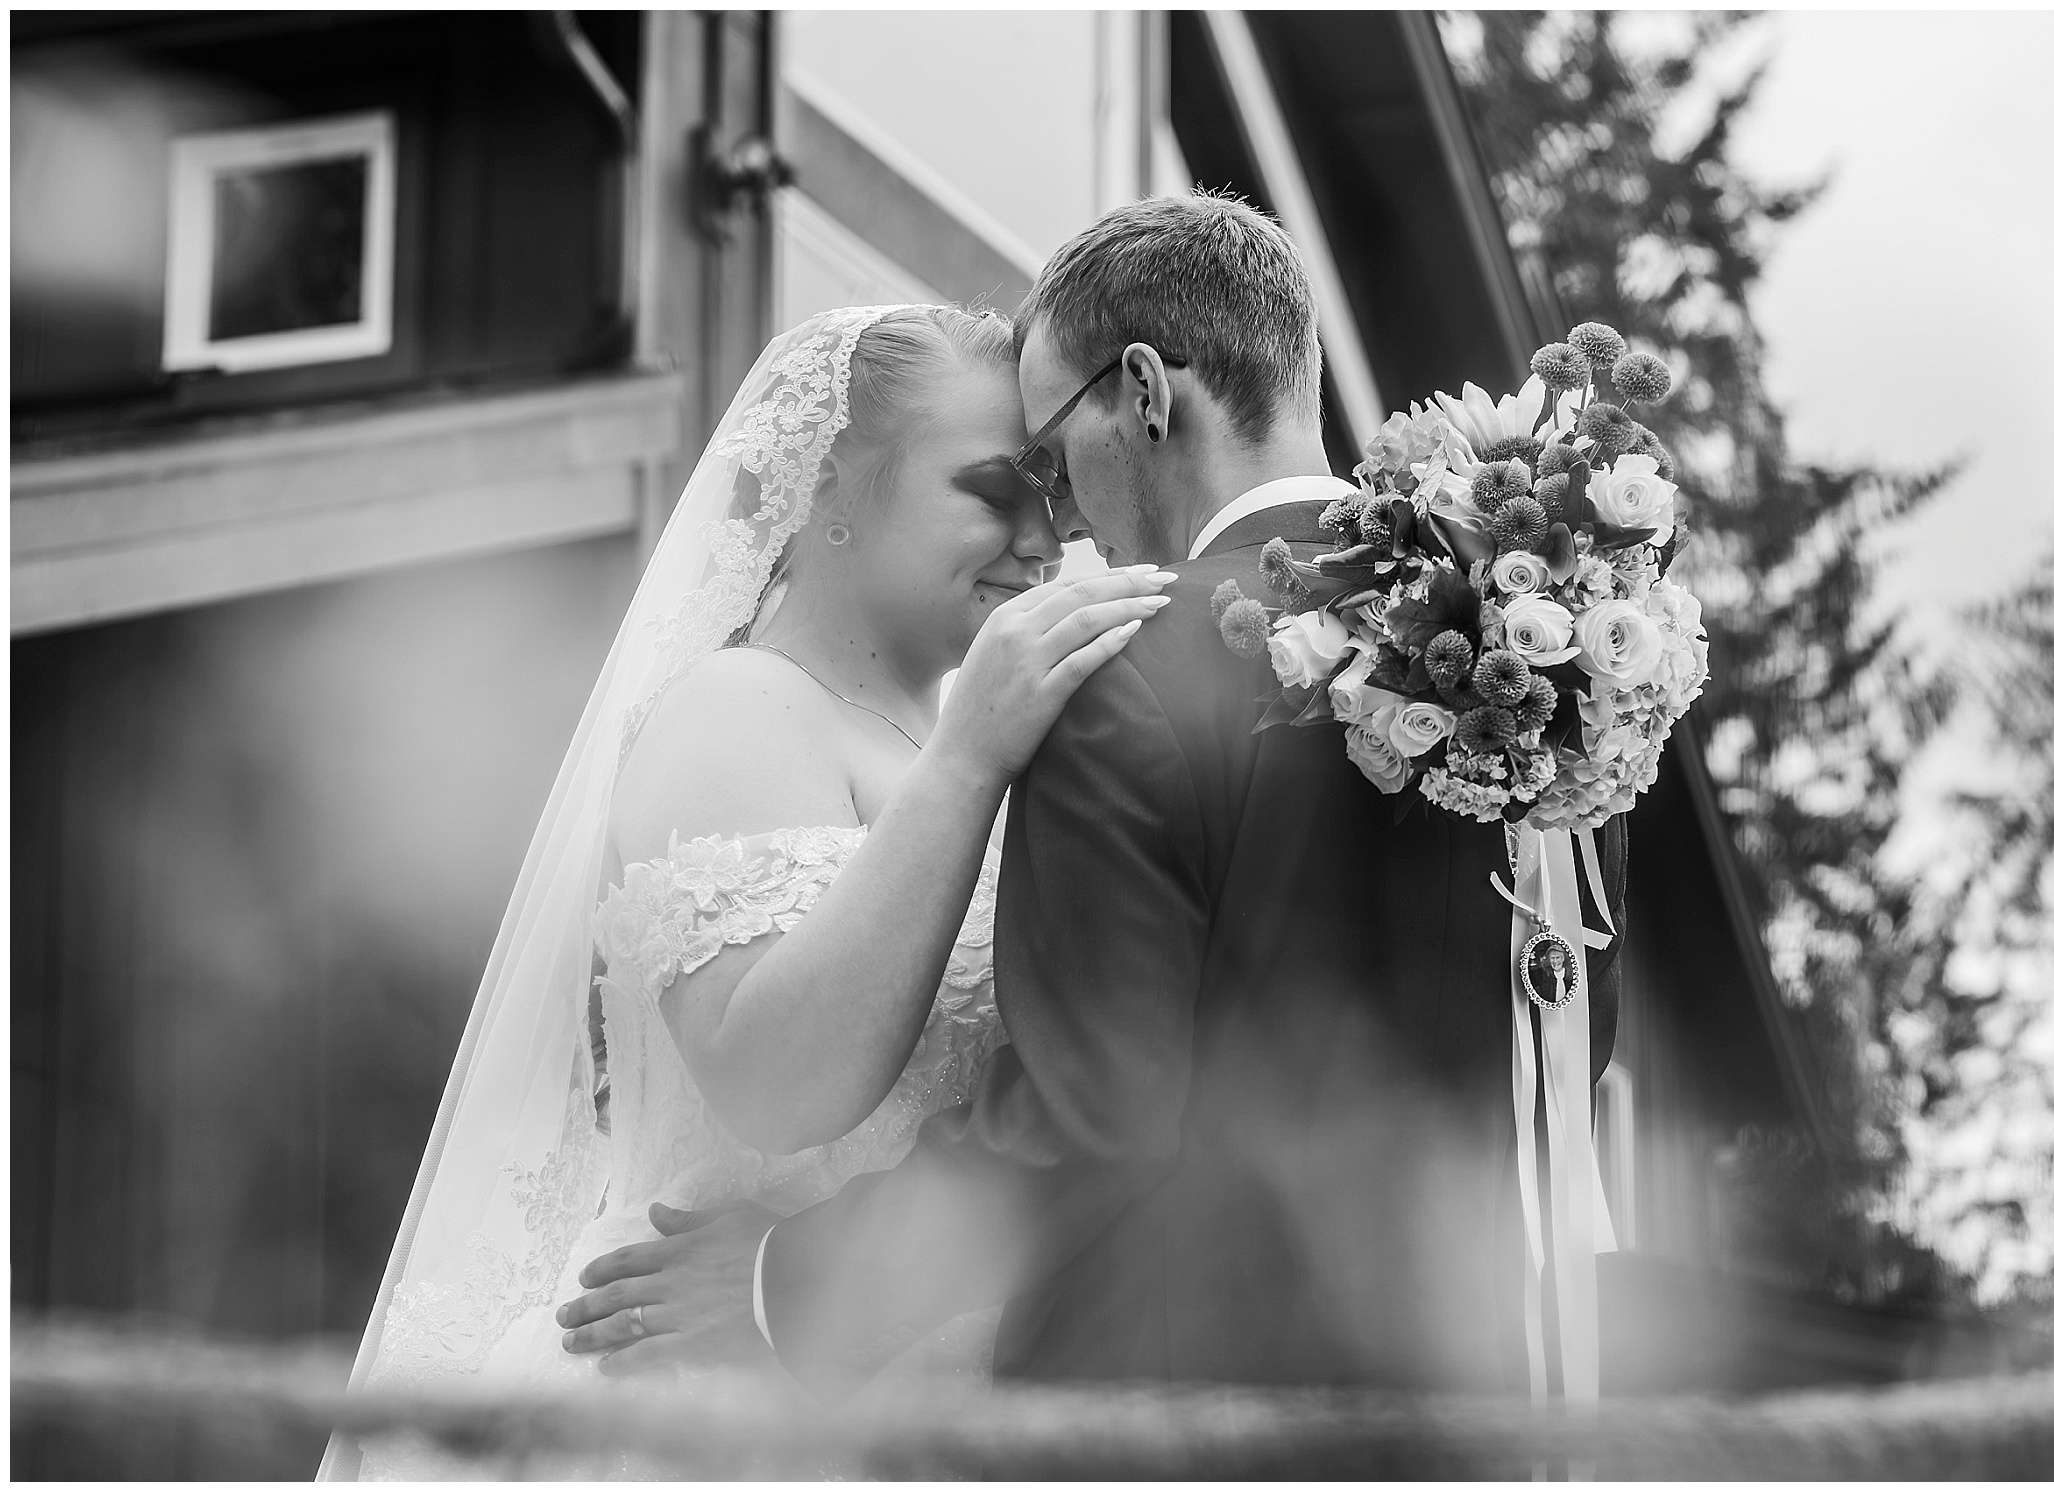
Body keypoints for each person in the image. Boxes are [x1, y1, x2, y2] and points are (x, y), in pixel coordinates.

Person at [559, 193, 1630, 1398]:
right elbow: (1570, 1041)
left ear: (1144, 393)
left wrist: (782, 1284)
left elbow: (1090, 1117)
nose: (1057, 524)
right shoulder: (1548, 662)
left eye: (1050, 455)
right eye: (1002, 484)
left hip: (1166, 1393)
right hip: (1471, 1386)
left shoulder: (1124, 679)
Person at [319, 303, 1173, 1479]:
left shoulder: (950, 732)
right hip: (690, 1390)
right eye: (992, 490)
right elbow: (780, 1081)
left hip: (868, 1371)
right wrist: (971, 761)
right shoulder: (737, 709)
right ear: (828, 490)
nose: (1045, 541)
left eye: (1047, 489)